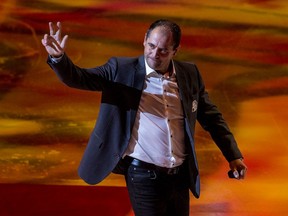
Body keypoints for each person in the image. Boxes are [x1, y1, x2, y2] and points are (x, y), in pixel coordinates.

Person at [41, 19, 247, 216]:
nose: (155, 53)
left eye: (163, 50)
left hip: (180, 177)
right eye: (151, 45)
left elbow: (212, 117)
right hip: (143, 175)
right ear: (144, 39)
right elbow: (79, 78)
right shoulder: (120, 69)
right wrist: (59, 58)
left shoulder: (189, 74)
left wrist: (233, 156)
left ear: (175, 50)